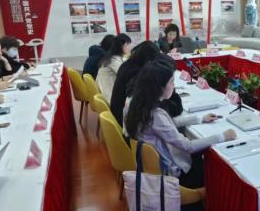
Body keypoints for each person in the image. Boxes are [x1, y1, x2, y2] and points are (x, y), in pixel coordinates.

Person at [124, 61, 235, 189]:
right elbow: (188, 146)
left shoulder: (138, 105)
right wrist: (223, 136)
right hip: (175, 177)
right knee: (215, 162)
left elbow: (169, 124)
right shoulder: (156, 115)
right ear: (160, 87)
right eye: (171, 82)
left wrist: (199, 118)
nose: (174, 86)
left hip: (153, 169)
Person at [110, 42, 183, 124]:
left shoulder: (127, 65)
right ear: (150, 60)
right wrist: (172, 93)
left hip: (119, 115)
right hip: (123, 120)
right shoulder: (138, 74)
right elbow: (169, 108)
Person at [97, 34, 132, 103]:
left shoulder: (110, 57)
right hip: (111, 97)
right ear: (121, 46)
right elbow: (126, 75)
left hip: (107, 92)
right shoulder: (113, 60)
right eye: (127, 45)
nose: (130, 47)